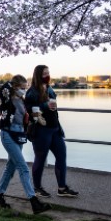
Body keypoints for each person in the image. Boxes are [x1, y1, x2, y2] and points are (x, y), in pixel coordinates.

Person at [0, 74, 51, 214]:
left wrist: (38, 118)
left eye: (25, 88)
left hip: (19, 135)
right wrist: (12, 84)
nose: (24, 90)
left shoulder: (22, 100)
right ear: (15, 87)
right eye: (22, 88)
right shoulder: (6, 98)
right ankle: (34, 202)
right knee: (23, 167)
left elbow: (28, 114)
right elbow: (2, 89)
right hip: (7, 134)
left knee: (10, 168)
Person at [25, 65, 79, 198]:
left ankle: (62, 188)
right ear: (38, 75)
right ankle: (37, 188)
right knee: (40, 158)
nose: (47, 75)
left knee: (61, 156)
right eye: (44, 73)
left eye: (48, 73)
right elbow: (29, 108)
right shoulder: (32, 91)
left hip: (55, 129)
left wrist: (59, 127)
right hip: (41, 130)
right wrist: (45, 105)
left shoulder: (49, 88)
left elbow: (54, 109)